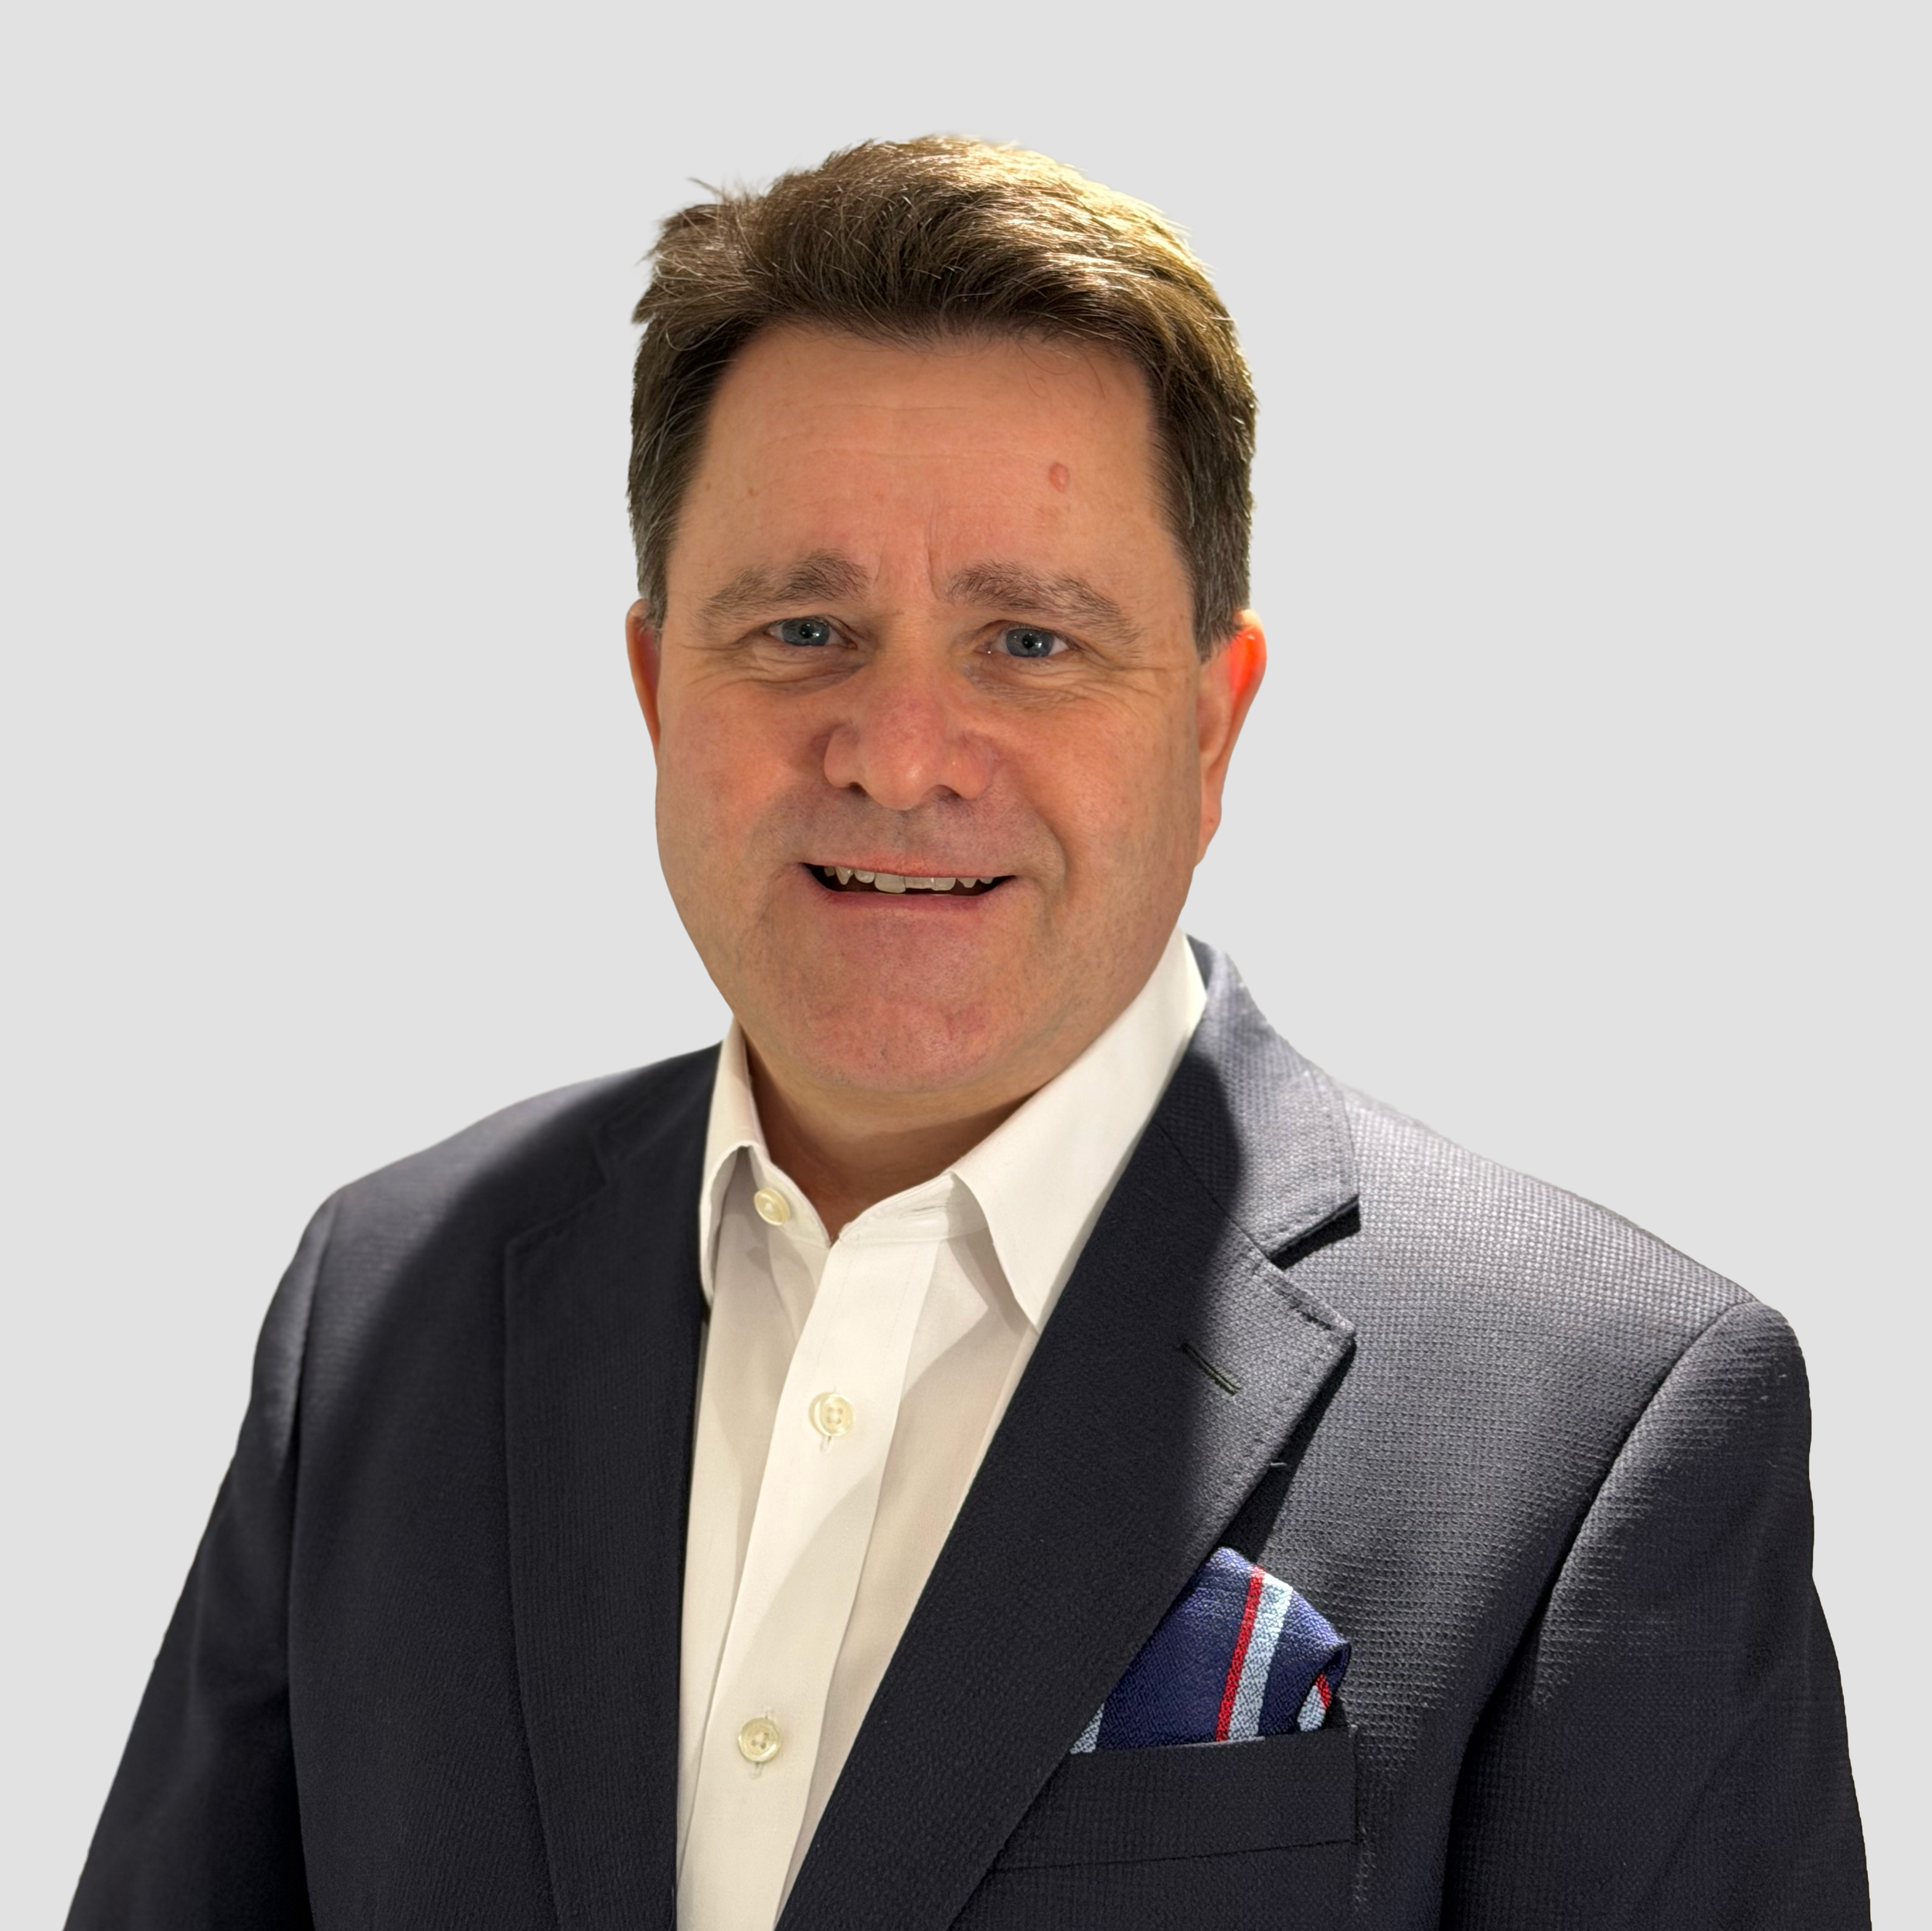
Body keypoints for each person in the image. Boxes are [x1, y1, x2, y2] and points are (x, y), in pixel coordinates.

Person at [67, 137, 1866, 1931]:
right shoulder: (384, 1297)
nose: (899, 749)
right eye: (799, 628)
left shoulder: (1602, 1421)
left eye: (1025, 638)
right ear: (654, 690)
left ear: (1210, 726)